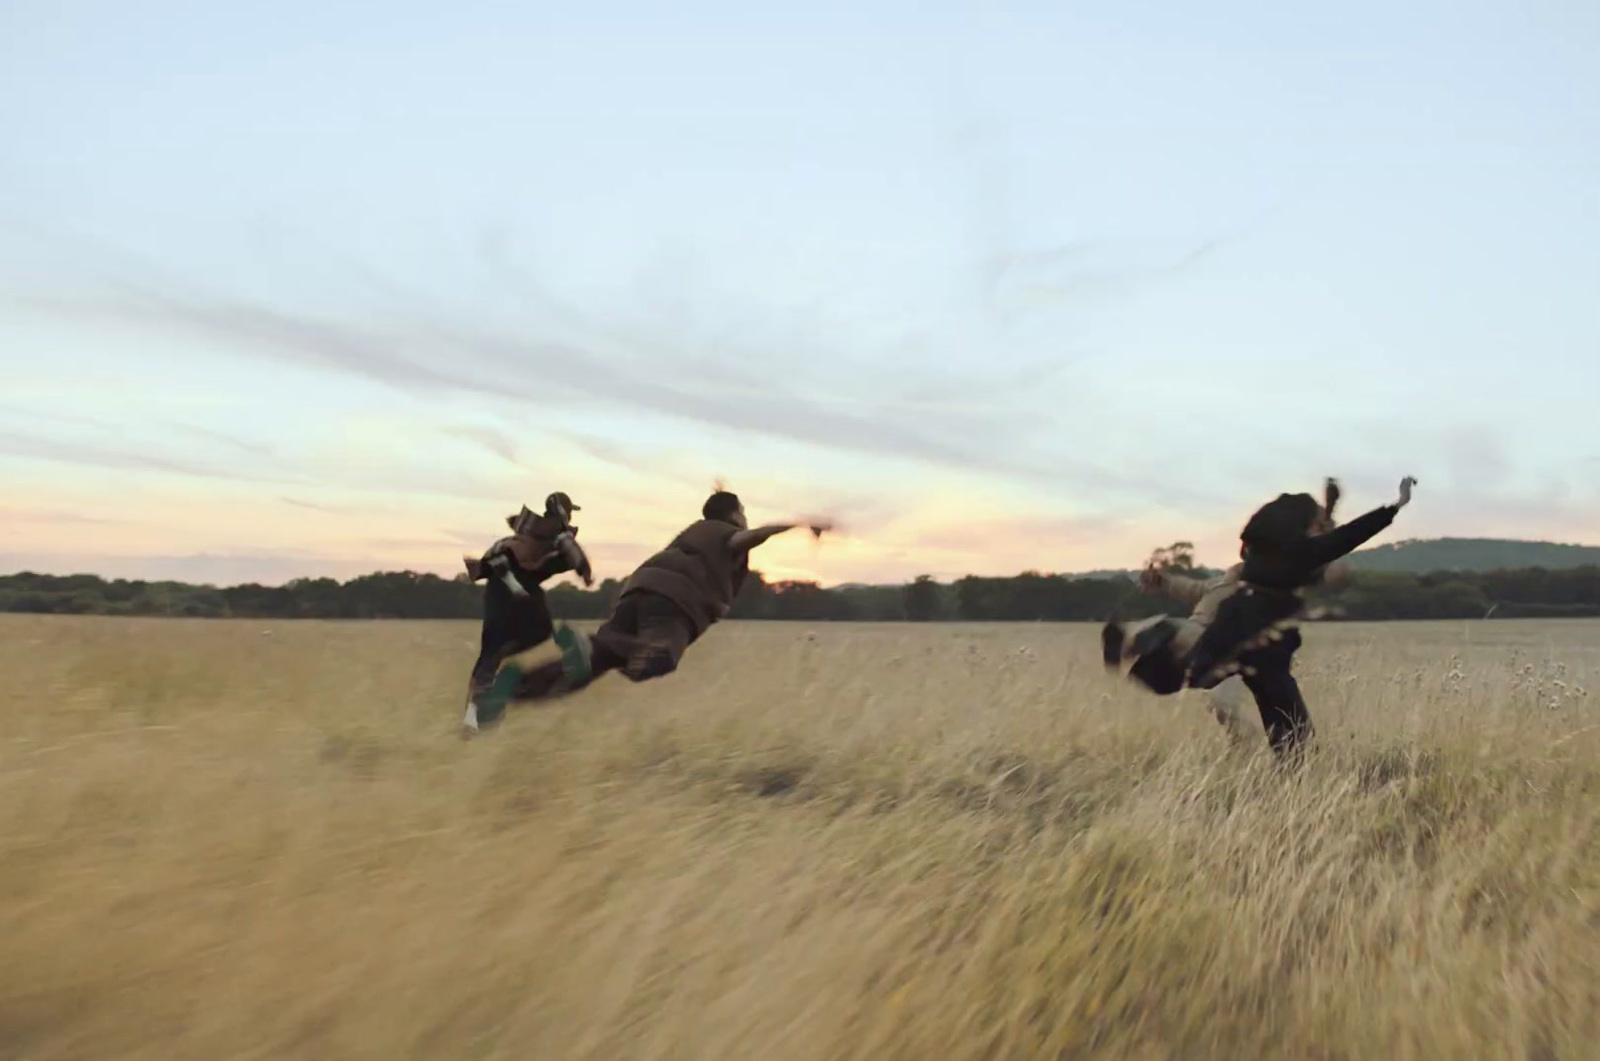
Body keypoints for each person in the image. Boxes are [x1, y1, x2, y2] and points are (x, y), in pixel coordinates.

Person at [465, 490, 828, 730]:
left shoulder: (694, 531)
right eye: (743, 512)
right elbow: (746, 537)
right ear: (733, 515)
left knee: (589, 666)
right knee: (657, 658)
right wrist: (795, 524)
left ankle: (504, 695)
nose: (746, 519)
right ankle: (593, 648)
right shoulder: (723, 531)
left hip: (636, 591)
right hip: (674, 603)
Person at [460, 492, 593, 731]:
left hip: (498, 587)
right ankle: (567, 639)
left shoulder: (527, 534)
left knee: (491, 653)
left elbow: (495, 555)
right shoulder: (558, 533)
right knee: (540, 629)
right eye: (569, 511)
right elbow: (571, 551)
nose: (571, 516)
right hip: (516, 583)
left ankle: (472, 718)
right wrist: (585, 571)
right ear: (563, 511)